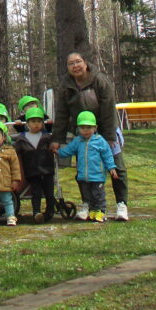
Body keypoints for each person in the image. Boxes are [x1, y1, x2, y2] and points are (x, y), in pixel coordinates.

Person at [51, 51, 129, 221]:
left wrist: (109, 138)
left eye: (78, 61)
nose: (75, 66)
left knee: (117, 167)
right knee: (83, 170)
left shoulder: (99, 80)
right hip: (82, 133)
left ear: (85, 63)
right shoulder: (66, 85)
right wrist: (57, 139)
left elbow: (109, 110)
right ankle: (87, 203)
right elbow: (62, 113)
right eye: (71, 63)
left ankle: (121, 204)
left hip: (104, 129)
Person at [56, 111, 118, 222]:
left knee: (98, 195)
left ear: (95, 128)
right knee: (87, 195)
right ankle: (91, 210)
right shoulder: (77, 141)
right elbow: (68, 150)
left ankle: (101, 211)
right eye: (82, 127)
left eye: (89, 127)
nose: (85, 130)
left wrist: (111, 168)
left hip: (97, 176)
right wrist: (58, 152)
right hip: (83, 176)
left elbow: (107, 155)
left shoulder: (99, 141)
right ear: (78, 128)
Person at [13, 106, 55, 222]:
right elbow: (14, 151)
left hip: (47, 170)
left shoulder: (47, 137)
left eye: (39, 121)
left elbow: (55, 143)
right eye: (33, 121)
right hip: (32, 171)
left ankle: (49, 212)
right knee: (35, 193)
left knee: (49, 194)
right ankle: (36, 213)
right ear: (27, 123)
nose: (36, 124)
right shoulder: (22, 138)